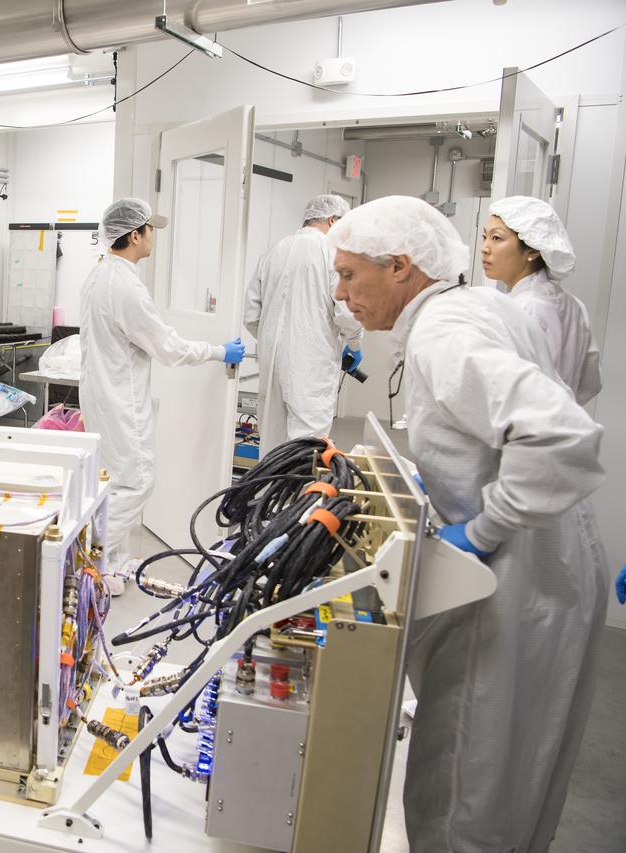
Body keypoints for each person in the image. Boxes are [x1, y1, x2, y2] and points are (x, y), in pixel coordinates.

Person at [329, 195, 607, 853]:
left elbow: (563, 433)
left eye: (348, 276)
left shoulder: (443, 332)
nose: (341, 296)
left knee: (463, 793)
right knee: (513, 783)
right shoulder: (479, 305)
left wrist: (482, 527)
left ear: (400, 267)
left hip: (513, 581)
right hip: (549, 567)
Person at [79, 198, 244, 595]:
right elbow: (166, 347)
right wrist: (218, 351)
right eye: (151, 229)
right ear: (135, 235)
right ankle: (91, 561)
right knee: (136, 483)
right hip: (121, 398)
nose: (154, 237)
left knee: (113, 482)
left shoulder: (99, 275)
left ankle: (113, 562)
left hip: (101, 392)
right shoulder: (126, 287)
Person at [244, 194, 362, 452]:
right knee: (308, 443)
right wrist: (353, 343)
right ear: (333, 221)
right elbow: (348, 311)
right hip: (311, 363)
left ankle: (269, 492)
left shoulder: (274, 251)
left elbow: (251, 315)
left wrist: (274, 337)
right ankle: (302, 493)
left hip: (272, 359)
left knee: (272, 444)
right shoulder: (333, 253)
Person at [484, 196, 602, 404]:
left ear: (532, 249)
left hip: (524, 431)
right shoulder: (574, 306)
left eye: (497, 238)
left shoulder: (520, 309)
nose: (485, 247)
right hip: (561, 425)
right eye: (485, 236)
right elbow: (591, 383)